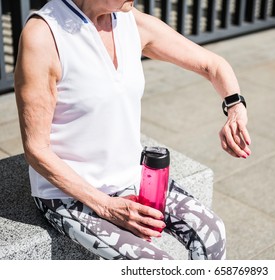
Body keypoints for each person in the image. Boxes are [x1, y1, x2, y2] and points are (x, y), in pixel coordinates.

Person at [14, 0, 251, 260]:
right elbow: (36, 150)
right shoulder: (44, 36)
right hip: (68, 194)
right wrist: (108, 207)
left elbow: (212, 65)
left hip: (130, 175)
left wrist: (235, 106)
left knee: (212, 234)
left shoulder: (130, 21)